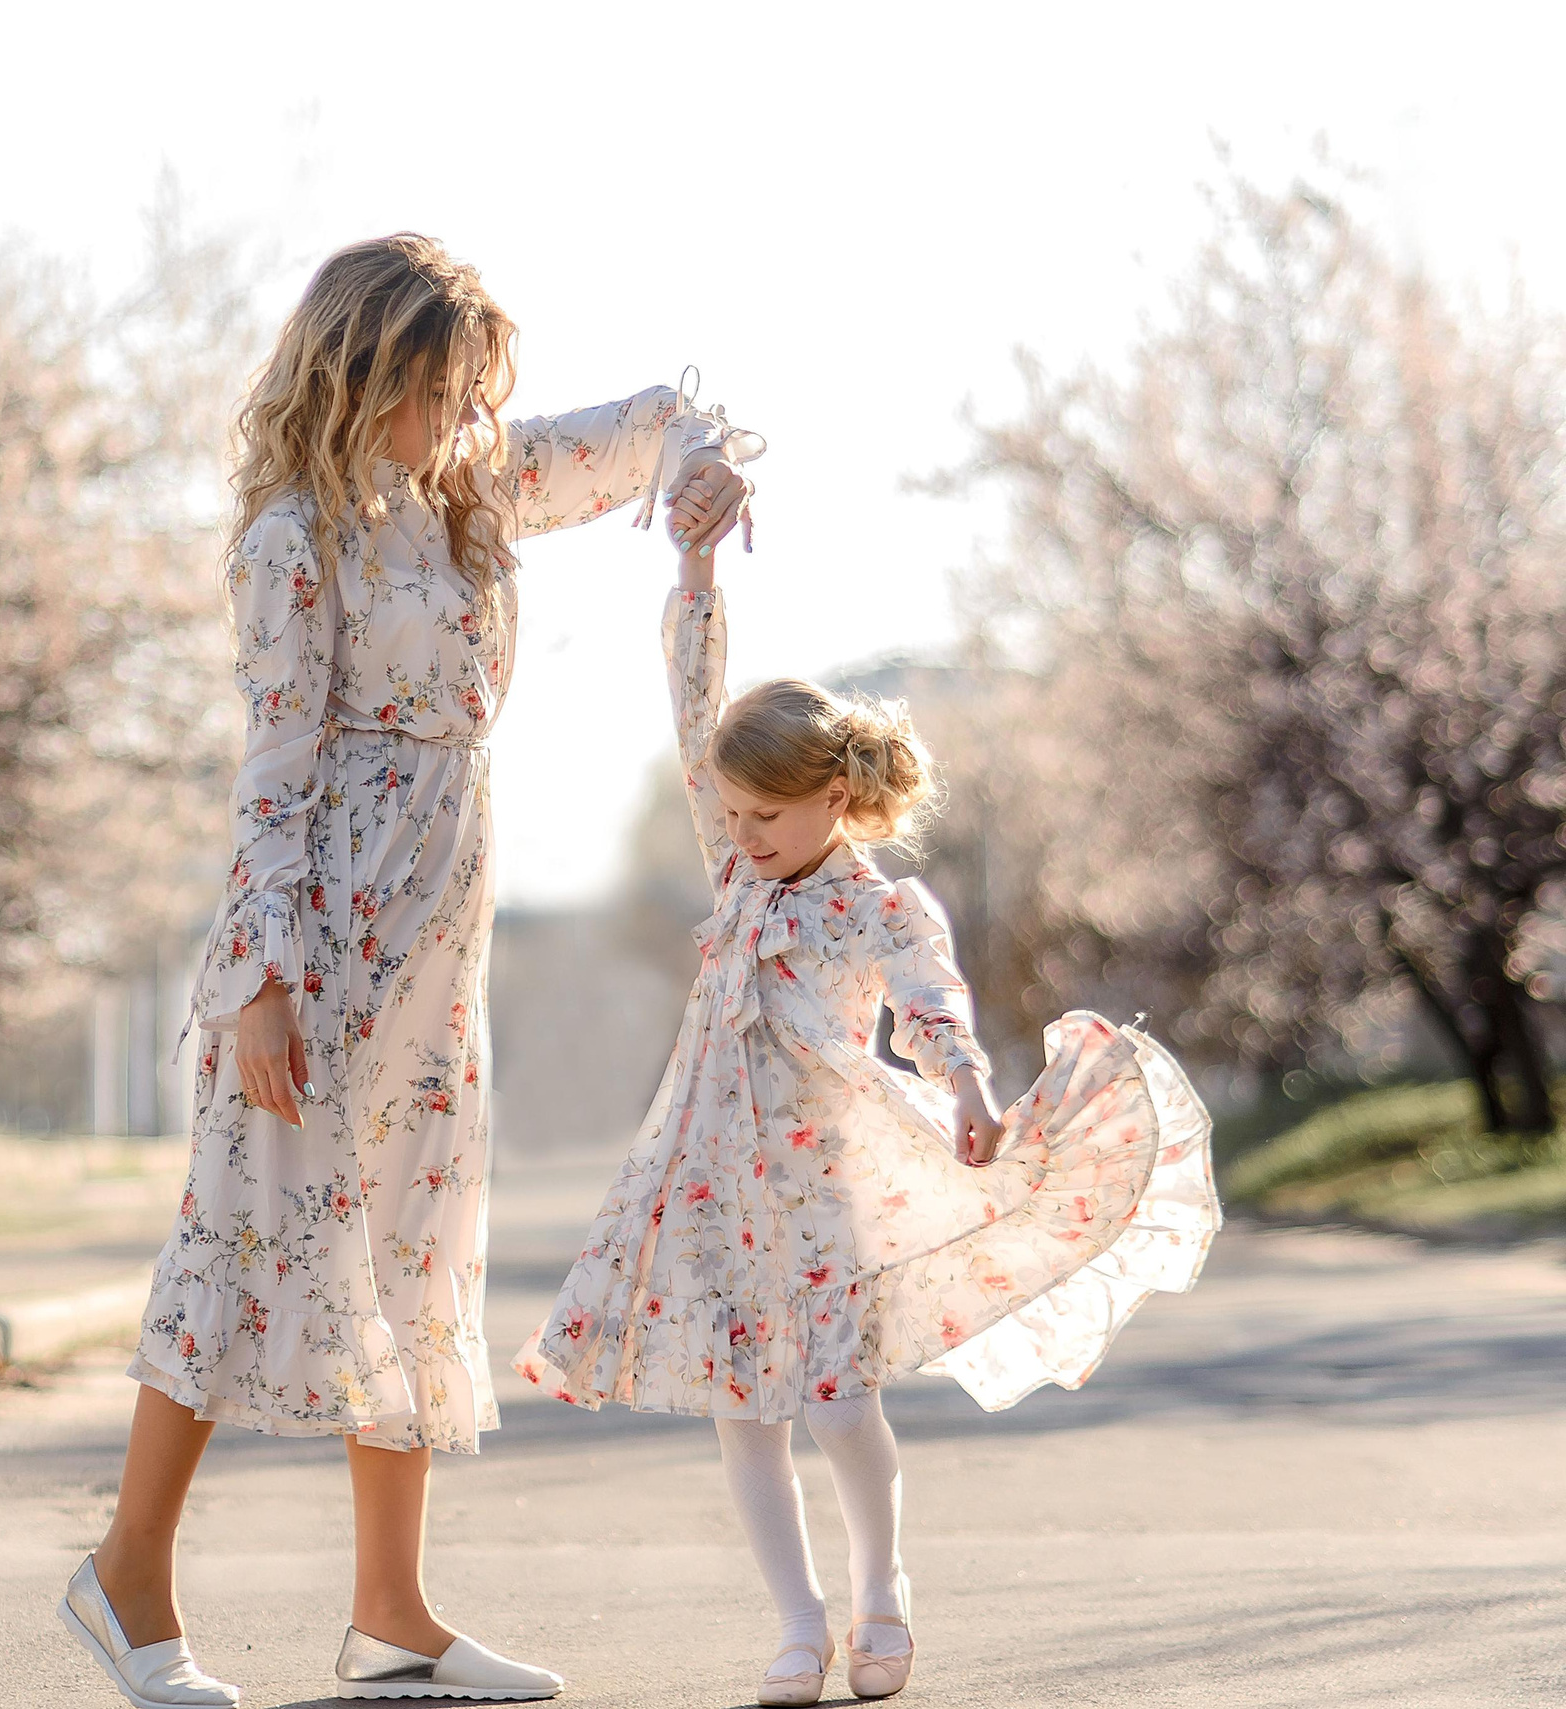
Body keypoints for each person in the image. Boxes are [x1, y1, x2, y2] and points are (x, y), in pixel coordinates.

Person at [58, 233, 762, 1708]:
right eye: (431, 389)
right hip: (313, 946)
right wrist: (257, 974)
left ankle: (394, 1611)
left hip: (440, 940)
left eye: (470, 390)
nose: (458, 417)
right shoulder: (288, 545)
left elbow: (644, 431)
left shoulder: (472, 499)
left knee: (416, 1246)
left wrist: (701, 464)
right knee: (235, 1239)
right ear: (354, 372)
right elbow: (274, 770)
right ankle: (128, 1575)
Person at [515, 486, 1222, 1704]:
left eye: (765, 814)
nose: (740, 834)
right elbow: (696, 712)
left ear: (831, 800)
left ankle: (880, 1592)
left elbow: (929, 998)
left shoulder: (873, 902)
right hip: (707, 1186)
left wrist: (963, 1086)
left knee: (838, 1406)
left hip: (824, 1191)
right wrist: (692, 579)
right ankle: (796, 1624)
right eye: (728, 814)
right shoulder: (738, 865)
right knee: (744, 1414)